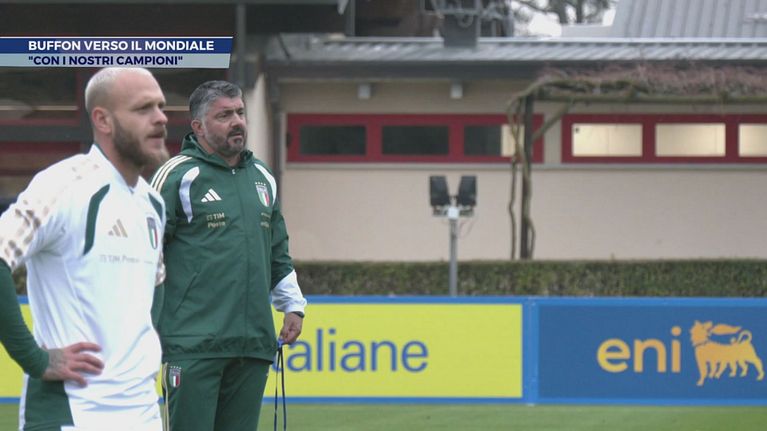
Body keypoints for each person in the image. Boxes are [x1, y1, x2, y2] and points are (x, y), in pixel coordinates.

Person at [0, 67, 169, 430]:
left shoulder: (153, 203)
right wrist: (34, 358)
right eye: (143, 108)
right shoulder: (63, 185)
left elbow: (155, 285)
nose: (161, 118)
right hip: (73, 412)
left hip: (143, 411)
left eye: (161, 106)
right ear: (102, 120)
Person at [150, 80, 306, 431]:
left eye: (240, 113)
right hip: (193, 344)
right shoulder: (177, 175)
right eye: (224, 115)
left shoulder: (263, 177)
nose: (237, 121)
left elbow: (277, 251)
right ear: (198, 126)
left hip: (253, 345)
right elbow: (146, 254)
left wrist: (292, 305)